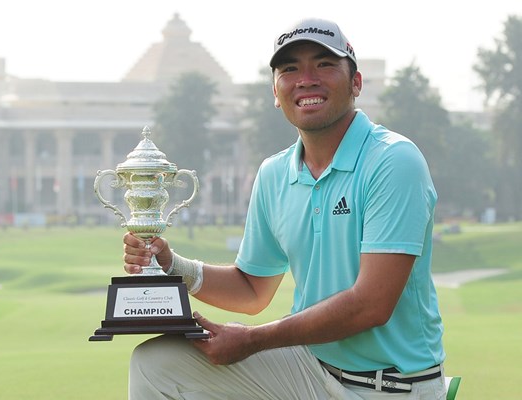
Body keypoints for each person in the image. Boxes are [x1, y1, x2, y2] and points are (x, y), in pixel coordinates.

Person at [123, 18, 446, 400]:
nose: (305, 79)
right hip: (310, 371)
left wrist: (253, 340)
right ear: (276, 92)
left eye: (324, 64)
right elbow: (251, 288)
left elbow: (371, 305)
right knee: (156, 362)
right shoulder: (275, 173)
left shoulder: (393, 160)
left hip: (391, 387)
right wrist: (171, 265)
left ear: (356, 83)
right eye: (289, 68)